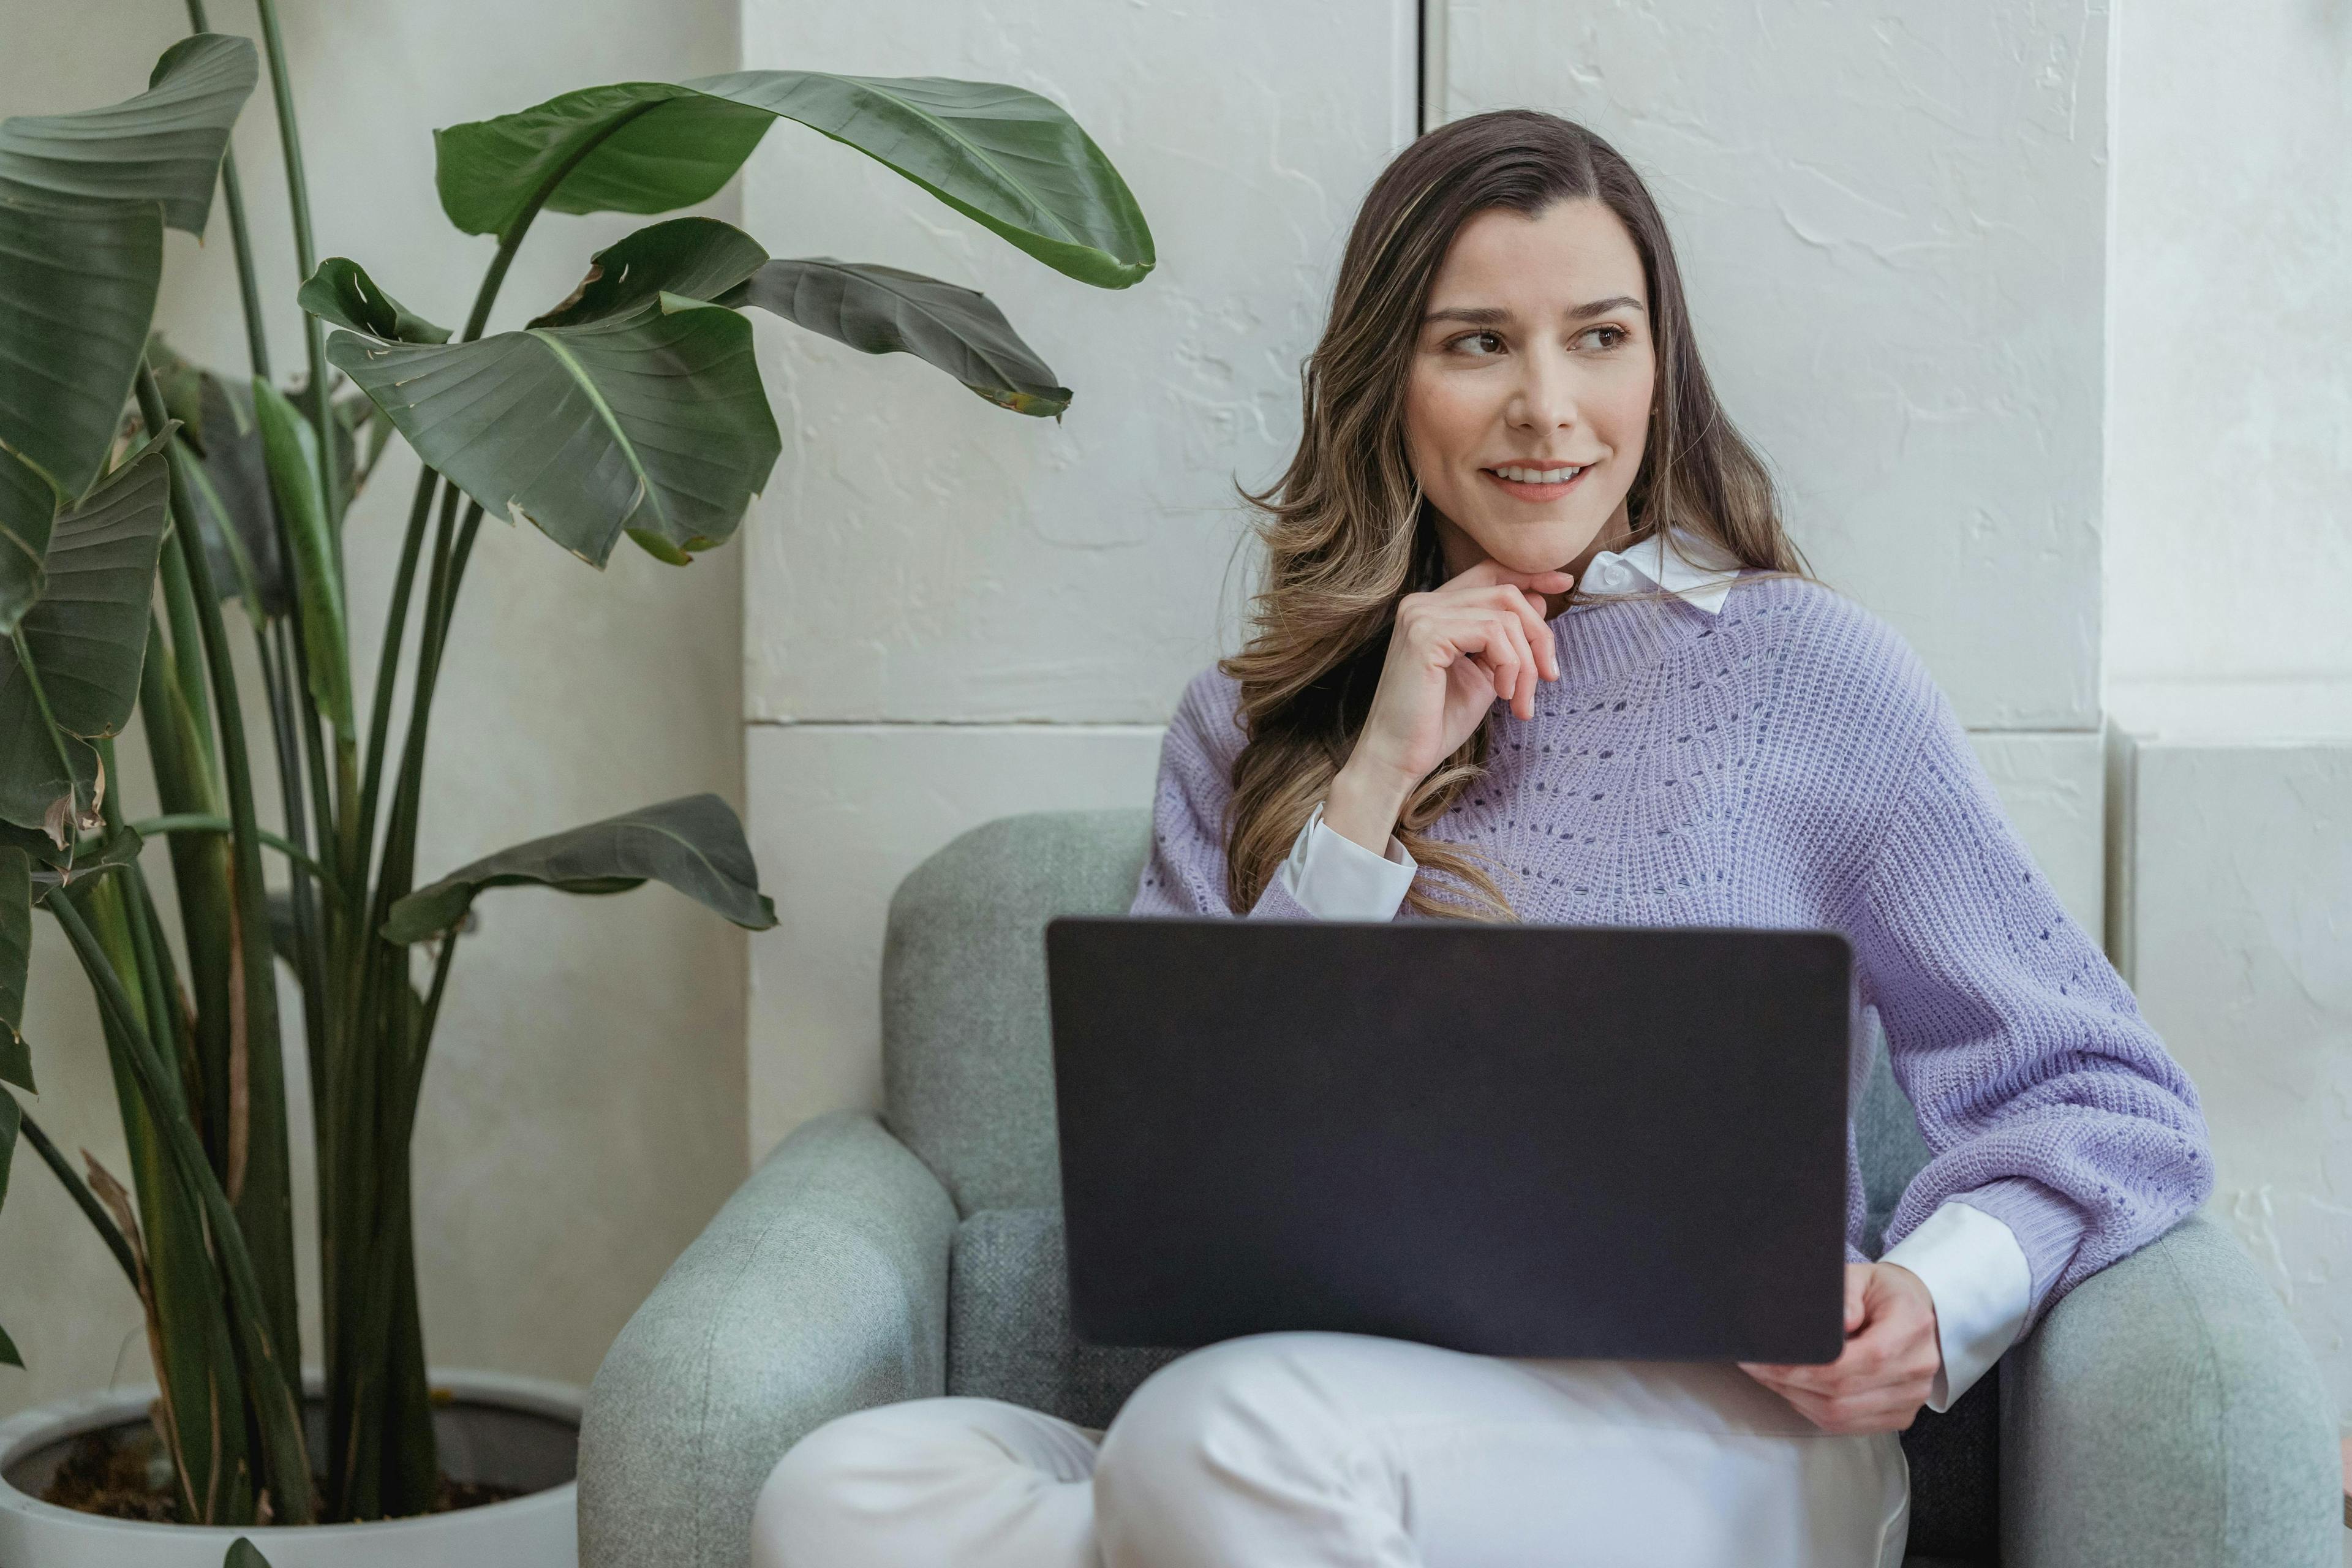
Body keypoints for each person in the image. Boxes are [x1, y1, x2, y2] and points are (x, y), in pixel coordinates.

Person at [748, 109, 2214, 1568]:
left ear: (1661, 366)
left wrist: (1938, 1298)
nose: (1548, 410)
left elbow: (2101, 1086)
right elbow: (1184, 1190)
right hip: (1313, 1409)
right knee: (852, 1487)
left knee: (1224, 1432)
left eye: (1599, 337)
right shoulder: (1245, 725)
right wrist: (1373, 776)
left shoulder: (1810, 675)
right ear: (1389, 379)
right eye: (1476, 344)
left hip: (1731, 1432)